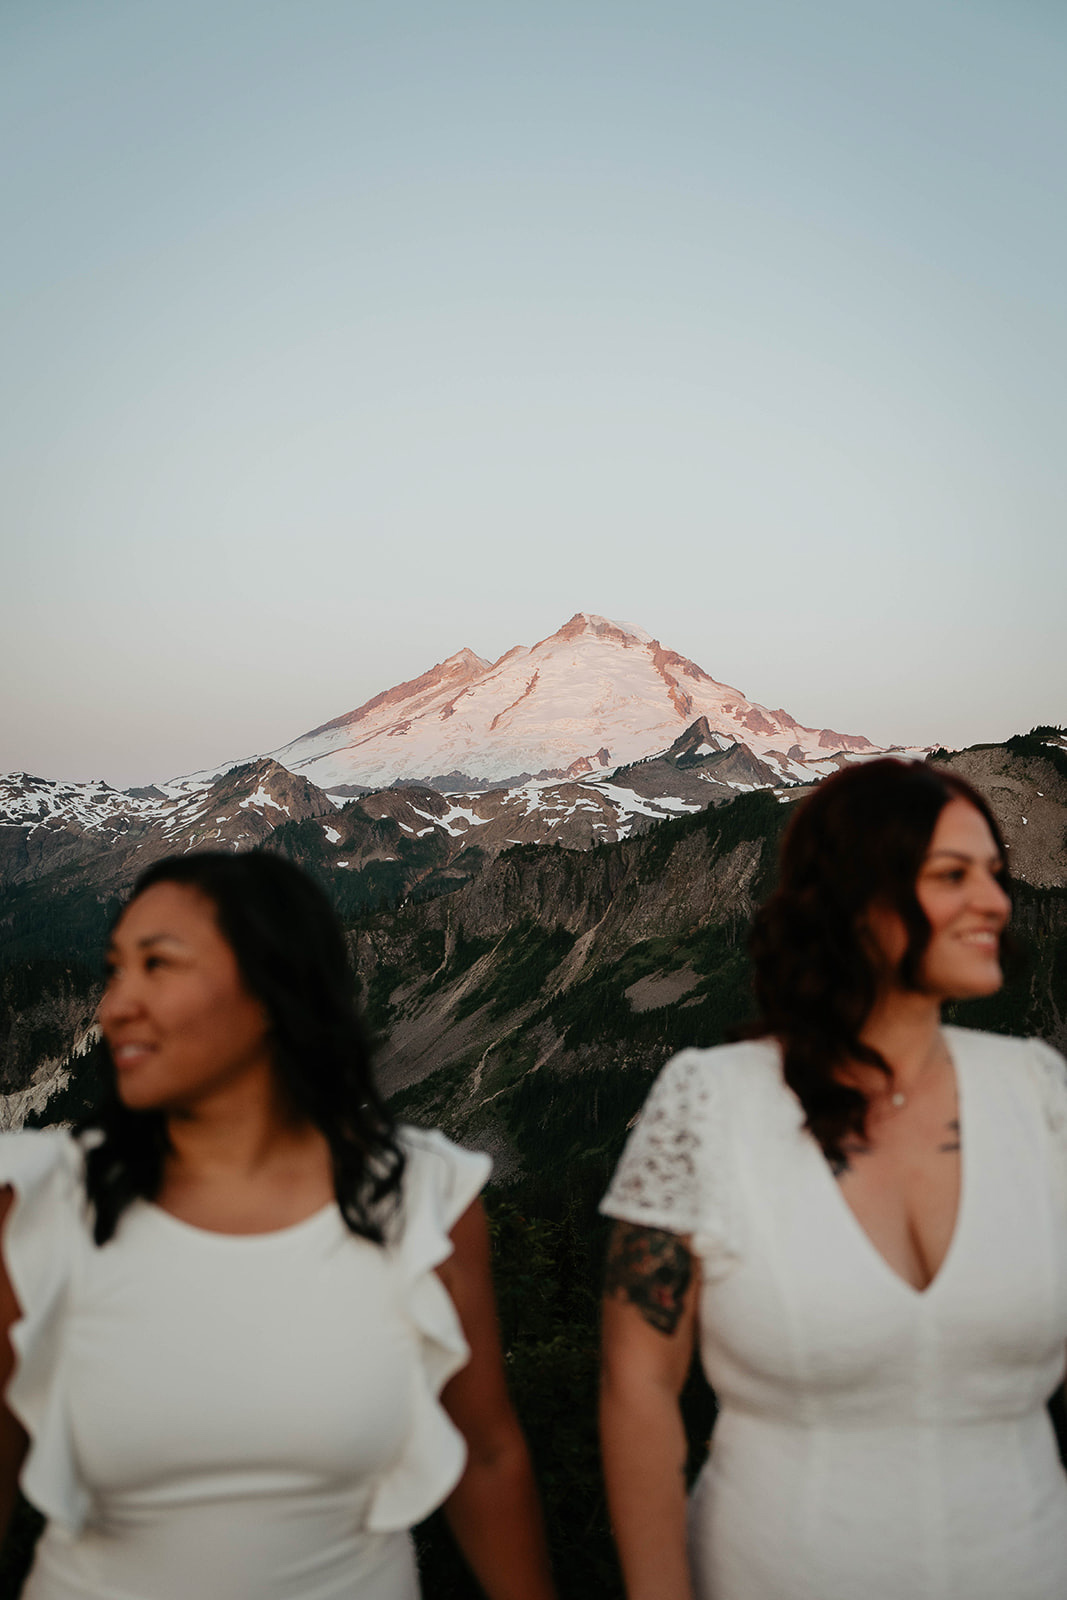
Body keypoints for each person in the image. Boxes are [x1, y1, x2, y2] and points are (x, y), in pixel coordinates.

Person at [0, 851, 558, 1600]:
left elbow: (487, 1454)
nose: (112, 1007)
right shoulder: (40, 1203)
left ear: (272, 992)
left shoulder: (424, 1200)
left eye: (157, 966)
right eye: (114, 970)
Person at [599, 758, 1067, 1600]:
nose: (997, 900)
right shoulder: (711, 1102)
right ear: (858, 900)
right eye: (952, 875)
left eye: (995, 874)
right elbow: (637, 1387)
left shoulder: (1038, 1091)